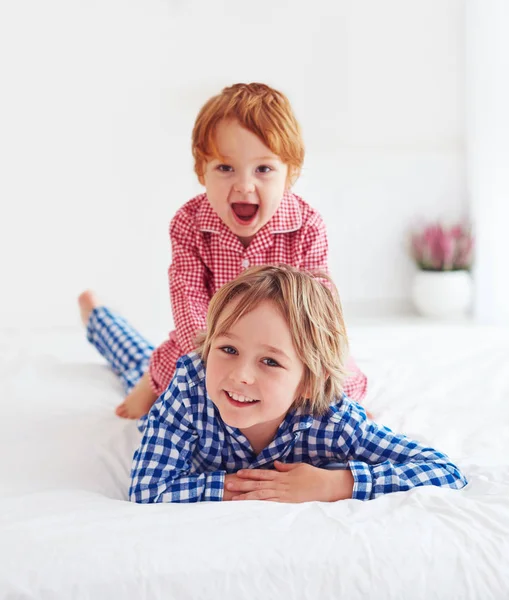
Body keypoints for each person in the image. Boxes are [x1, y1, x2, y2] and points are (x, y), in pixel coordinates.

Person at [78, 82, 367, 421]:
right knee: (178, 379)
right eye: (225, 168)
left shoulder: (307, 225)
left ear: (291, 174)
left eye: (263, 169)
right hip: (212, 342)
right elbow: (187, 297)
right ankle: (117, 342)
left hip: (278, 350)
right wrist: (217, 354)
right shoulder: (189, 222)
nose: (244, 185)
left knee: (337, 381)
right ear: (202, 171)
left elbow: (320, 303)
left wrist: (297, 361)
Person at [123, 265, 466, 503]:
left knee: (137, 359)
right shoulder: (189, 387)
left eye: (270, 361)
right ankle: (100, 316)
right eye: (228, 349)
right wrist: (236, 488)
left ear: (307, 380)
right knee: (137, 363)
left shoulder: (331, 420)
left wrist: (337, 483)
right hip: (175, 383)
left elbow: (444, 471)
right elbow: (148, 488)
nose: (242, 374)